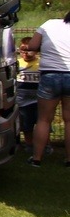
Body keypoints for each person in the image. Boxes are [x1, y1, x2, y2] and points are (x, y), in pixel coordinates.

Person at [25, 11, 70, 167]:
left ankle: (37, 158)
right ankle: (69, 159)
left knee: (44, 119)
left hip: (50, 75)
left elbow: (32, 46)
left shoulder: (49, 24)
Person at [16, 36, 40, 152]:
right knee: (26, 124)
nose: (25, 53)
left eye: (29, 50)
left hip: (39, 100)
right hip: (22, 101)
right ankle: (29, 144)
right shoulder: (17, 64)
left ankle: (45, 145)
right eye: (23, 50)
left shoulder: (40, 63)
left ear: (36, 51)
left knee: (41, 123)